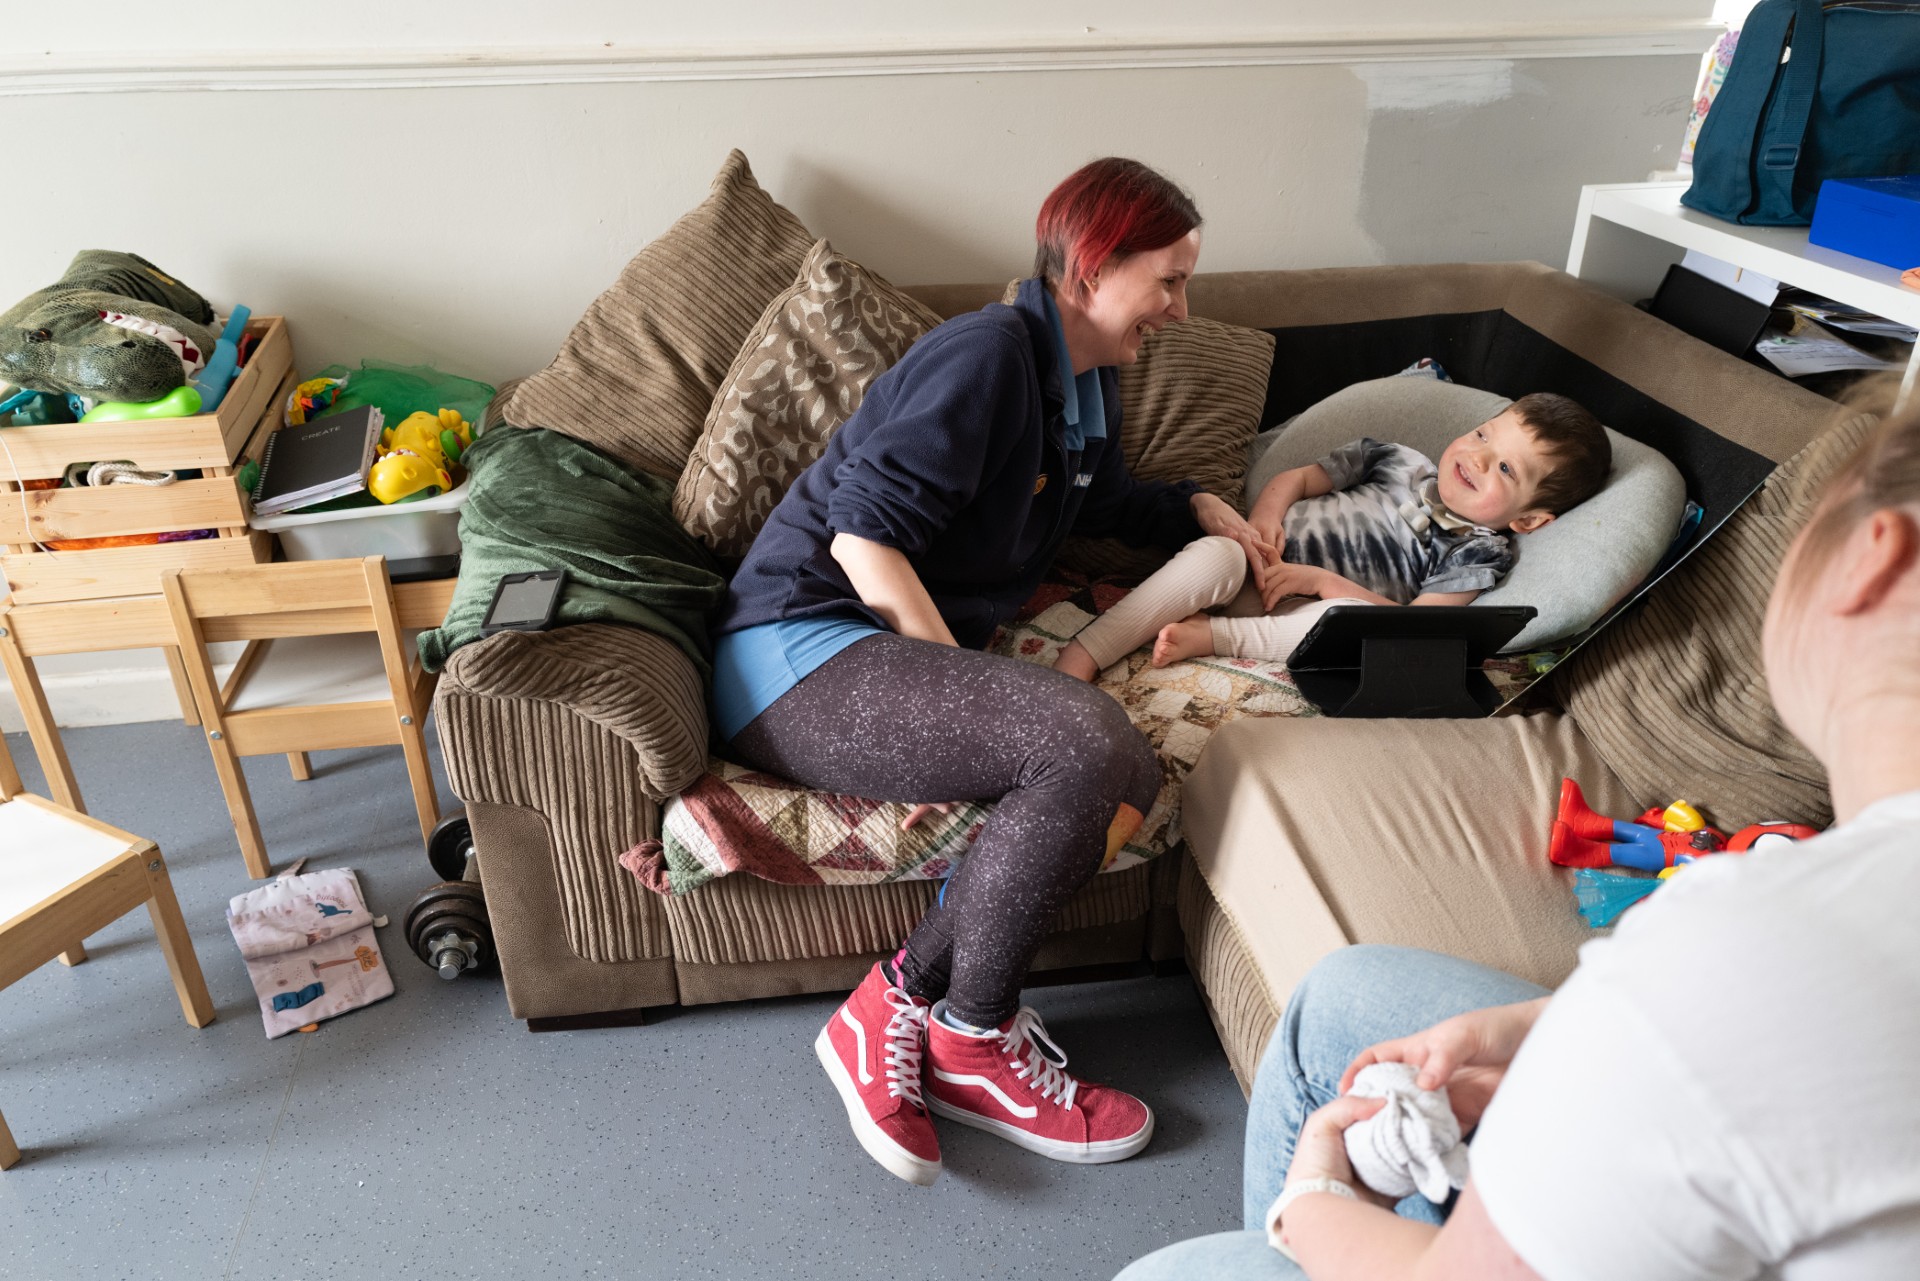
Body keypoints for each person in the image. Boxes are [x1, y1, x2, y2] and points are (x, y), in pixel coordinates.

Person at [1113, 390, 1920, 1278]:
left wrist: (1309, 1200)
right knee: (1342, 993)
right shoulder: (1809, 913)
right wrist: (1539, 1027)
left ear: (1870, 561)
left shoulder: (1739, 933)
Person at [708, 158, 1269, 1187]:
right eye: (1170, 281)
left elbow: (1094, 500)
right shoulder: (987, 356)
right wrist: (958, 702)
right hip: (796, 649)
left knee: (1129, 771)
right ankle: (974, 1035)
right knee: (1078, 742)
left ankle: (898, 1002)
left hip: (857, 650)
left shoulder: (1084, 378)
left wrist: (1193, 503)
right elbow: (861, 540)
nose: (1181, 310)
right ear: (1094, 267)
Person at [1055, 395, 1609, 678]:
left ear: (1529, 520)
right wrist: (1265, 516)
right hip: (1256, 560)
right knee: (1218, 553)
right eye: (1484, 434)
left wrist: (1323, 583)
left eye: (1506, 469)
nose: (1478, 458)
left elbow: (1417, 627)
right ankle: (1087, 651)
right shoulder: (1396, 459)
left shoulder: (1479, 551)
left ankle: (1216, 637)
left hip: (1302, 611)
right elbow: (1296, 479)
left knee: (1343, 622)